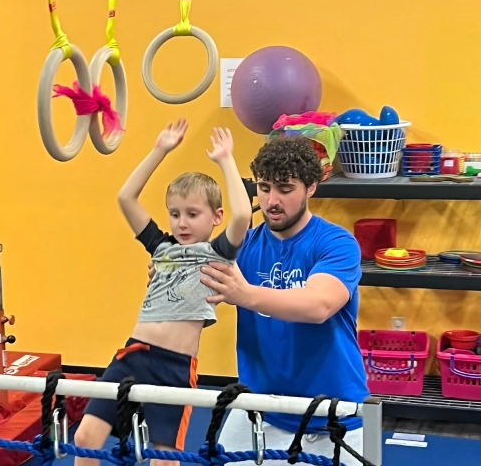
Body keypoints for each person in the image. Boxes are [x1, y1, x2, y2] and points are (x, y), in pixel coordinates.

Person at [148, 135, 369, 466]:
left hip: (331, 415)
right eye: (264, 188)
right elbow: (194, 294)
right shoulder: (243, 247)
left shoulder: (336, 243)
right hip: (258, 409)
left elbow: (319, 305)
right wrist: (169, 276)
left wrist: (245, 294)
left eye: (284, 188)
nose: (272, 200)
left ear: (310, 188)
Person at [73, 119, 253, 466]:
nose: (182, 223)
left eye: (192, 214)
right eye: (174, 214)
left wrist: (226, 159)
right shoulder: (160, 248)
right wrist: (160, 150)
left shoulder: (217, 253)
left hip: (175, 368)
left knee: (164, 459)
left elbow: (243, 212)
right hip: (134, 354)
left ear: (216, 217)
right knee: (85, 437)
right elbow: (126, 197)